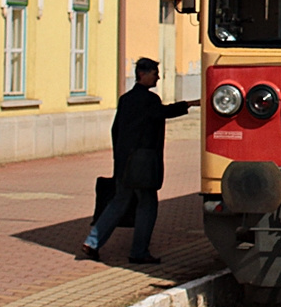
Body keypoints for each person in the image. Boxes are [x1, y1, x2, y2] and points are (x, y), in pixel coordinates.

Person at [82, 57, 200, 264]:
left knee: (118, 202)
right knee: (147, 205)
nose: (158, 77)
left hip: (123, 162)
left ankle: (92, 242)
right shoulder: (149, 100)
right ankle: (139, 252)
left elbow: (115, 130)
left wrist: (118, 157)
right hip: (143, 163)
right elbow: (163, 113)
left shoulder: (125, 99)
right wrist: (189, 104)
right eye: (155, 73)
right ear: (142, 74)